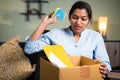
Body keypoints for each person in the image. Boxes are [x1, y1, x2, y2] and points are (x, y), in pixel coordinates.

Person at [24, 0, 111, 78]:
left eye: (83, 19)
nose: (78, 22)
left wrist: (104, 68)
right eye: (75, 17)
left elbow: (105, 63)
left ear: (89, 20)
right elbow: (29, 48)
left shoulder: (95, 36)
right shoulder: (55, 34)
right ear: (69, 17)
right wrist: (44, 23)